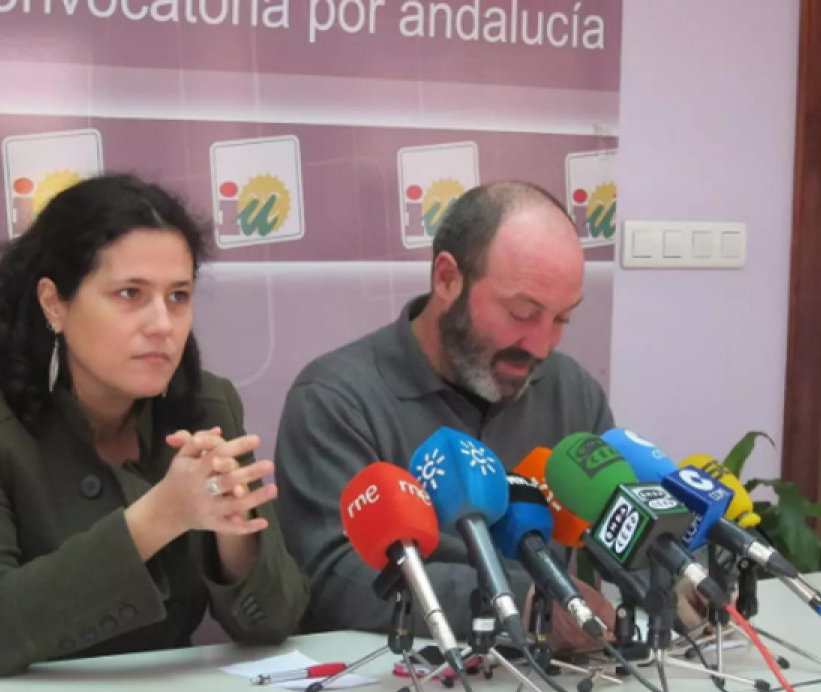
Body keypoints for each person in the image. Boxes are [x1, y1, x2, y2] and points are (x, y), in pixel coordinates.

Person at [0, 174, 308, 677]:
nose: (162, 324)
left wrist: (234, 535)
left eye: (178, 296)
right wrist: (161, 516)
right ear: (54, 303)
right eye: (130, 293)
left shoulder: (206, 408)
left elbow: (273, 622)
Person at [276, 180, 676, 653]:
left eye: (562, 319)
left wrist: (676, 584)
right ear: (447, 279)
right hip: (387, 678)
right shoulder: (337, 398)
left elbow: (618, 526)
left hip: (554, 682)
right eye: (523, 313)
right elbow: (334, 577)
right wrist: (515, 603)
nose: (541, 345)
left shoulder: (571, 391)